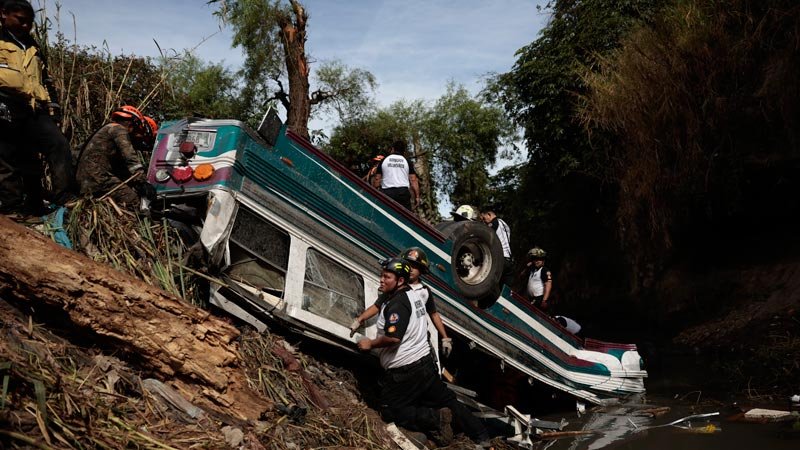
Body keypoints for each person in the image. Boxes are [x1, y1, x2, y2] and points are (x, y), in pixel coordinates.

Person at [356, 258, 491, 447]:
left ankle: (436, 418)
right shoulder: (412, 294)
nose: (381, 280)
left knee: (390, 411)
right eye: (381, 275)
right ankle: (482, 436)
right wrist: (360, 318)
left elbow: (394, 338)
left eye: (386, 277)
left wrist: (370, 344)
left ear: (400, 281)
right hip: (424, 364)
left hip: (406, 372)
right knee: (449, 400)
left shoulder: (397, 305)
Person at [0, 0, 75, 215]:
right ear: (3, 14)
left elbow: (46, 80)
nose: (26, 26)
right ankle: (12, 206)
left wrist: (54, 108)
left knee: (57, 144)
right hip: (4, 100)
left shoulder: (33, 46)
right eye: (21, 20)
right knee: (7, 155)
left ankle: (63, 197)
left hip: (32, 106)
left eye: (30, 23)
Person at [350, 247, 453, 358]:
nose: (411, 269)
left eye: (414, 267)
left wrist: (445, 337)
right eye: (408, 265)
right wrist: (360, 319)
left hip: (416, 341)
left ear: (422, 270)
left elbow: (434, 314)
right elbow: (377, 306)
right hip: (396, 338)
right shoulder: (394, 288)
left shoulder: (424, 292)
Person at [76, 105, 146, 206]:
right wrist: (142, 180)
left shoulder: (106, 129)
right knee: (133, 200)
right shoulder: (119, 129)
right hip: (98, 179)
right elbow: (129, 156)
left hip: (85, 180)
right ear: (132, 122)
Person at [372, 140, 419, 210]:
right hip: (403, 194)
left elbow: (377, 179)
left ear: (393, 149)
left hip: (386, 193)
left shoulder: (384, 160)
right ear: (404, 151)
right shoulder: (407, 161)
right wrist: (417, 196)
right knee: (404, 217)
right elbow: (413, 180)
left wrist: (374, 190)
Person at [479, 207, 513, 289]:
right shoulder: (505, 224)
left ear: (489, 215)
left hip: (500, 258)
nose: (484, 221)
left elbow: (484, 234)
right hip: (509, 260)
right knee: (503, 288)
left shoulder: (494, 222)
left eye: (484, 218)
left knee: (489, 284)